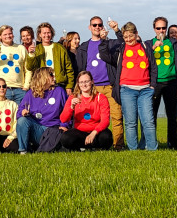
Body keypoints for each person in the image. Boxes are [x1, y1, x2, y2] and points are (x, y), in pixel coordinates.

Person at [75, 16, 123, 148]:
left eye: (100, 25)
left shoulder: (111, 43)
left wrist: (116, 30)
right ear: (89, 27)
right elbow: (80, 69)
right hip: (92, 88)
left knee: (117, 116)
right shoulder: (84, 47)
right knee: (90, 118)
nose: (97, 27)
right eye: (94, 25)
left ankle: (118, 146)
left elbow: (124, 44)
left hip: (110, 86)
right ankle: (91, 144)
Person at [115, 22, 158, 151]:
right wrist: (114, 31)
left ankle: (152, 149)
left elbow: (153, 67)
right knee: (130, 122)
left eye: (131, 36)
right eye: (125, 37)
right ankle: (132, 150)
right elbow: (115, 42)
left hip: (145, 90)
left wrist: (152, 86)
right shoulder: (122, 47)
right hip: (127, 89)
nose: (128, 39)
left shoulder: (145, 47)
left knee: (148, 122)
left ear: (136, 34)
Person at [148, 16, 177, 149]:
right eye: (158, 28)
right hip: (154, 84)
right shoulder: (148, 44)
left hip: (171, 82)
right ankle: (152, 144)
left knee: (172, 116)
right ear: (154, 29)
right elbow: (144, 60)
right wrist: (153, 48)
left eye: (163, 28)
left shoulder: (173, 43)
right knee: (152, 115)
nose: (161, 31)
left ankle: (173, 145)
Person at [17, 67, 68, 153]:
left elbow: (66, 111)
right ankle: (23, 150)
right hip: (37, 129)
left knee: (57, 133)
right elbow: (19, 112)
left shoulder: (59, 91)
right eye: (51, 75)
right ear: (42, 77)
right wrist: (23, 112)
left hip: (54, 129)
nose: (54, 77)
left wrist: (64, 125)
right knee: (22, 120)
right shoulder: (30, 93)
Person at [58, 71, 113, 150]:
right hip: (80, 132)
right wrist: (71, 107)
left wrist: (94, 133)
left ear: (92, 82)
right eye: (81, 82)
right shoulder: (73, 97)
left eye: (86, 81)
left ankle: (96, 147)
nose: (84, 85)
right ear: (78, 84)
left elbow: (105, 121)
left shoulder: (101, 97)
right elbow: (63, 119)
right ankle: (79, 148)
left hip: (96, 132)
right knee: (66, 138)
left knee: (106, 137)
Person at [24, 22, 76, 92]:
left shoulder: (60, 48)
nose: (47, 35)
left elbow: (69, 68)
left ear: (52, 33)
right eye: (44, 33)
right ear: (40, 34)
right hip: (42, 86)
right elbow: (30, 67)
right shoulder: (36, 49)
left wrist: (69, 86)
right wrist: (31, 54)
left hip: (59, 85)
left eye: (48, 33)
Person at [0, 25, 28, 103]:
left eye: (10, 33)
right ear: (0, 36)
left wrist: (26, 86)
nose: (8, 36)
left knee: (21, 111)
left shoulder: (21, 48)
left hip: (19, 90)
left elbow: (28, 69)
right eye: (5, 34)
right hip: (2, 89)